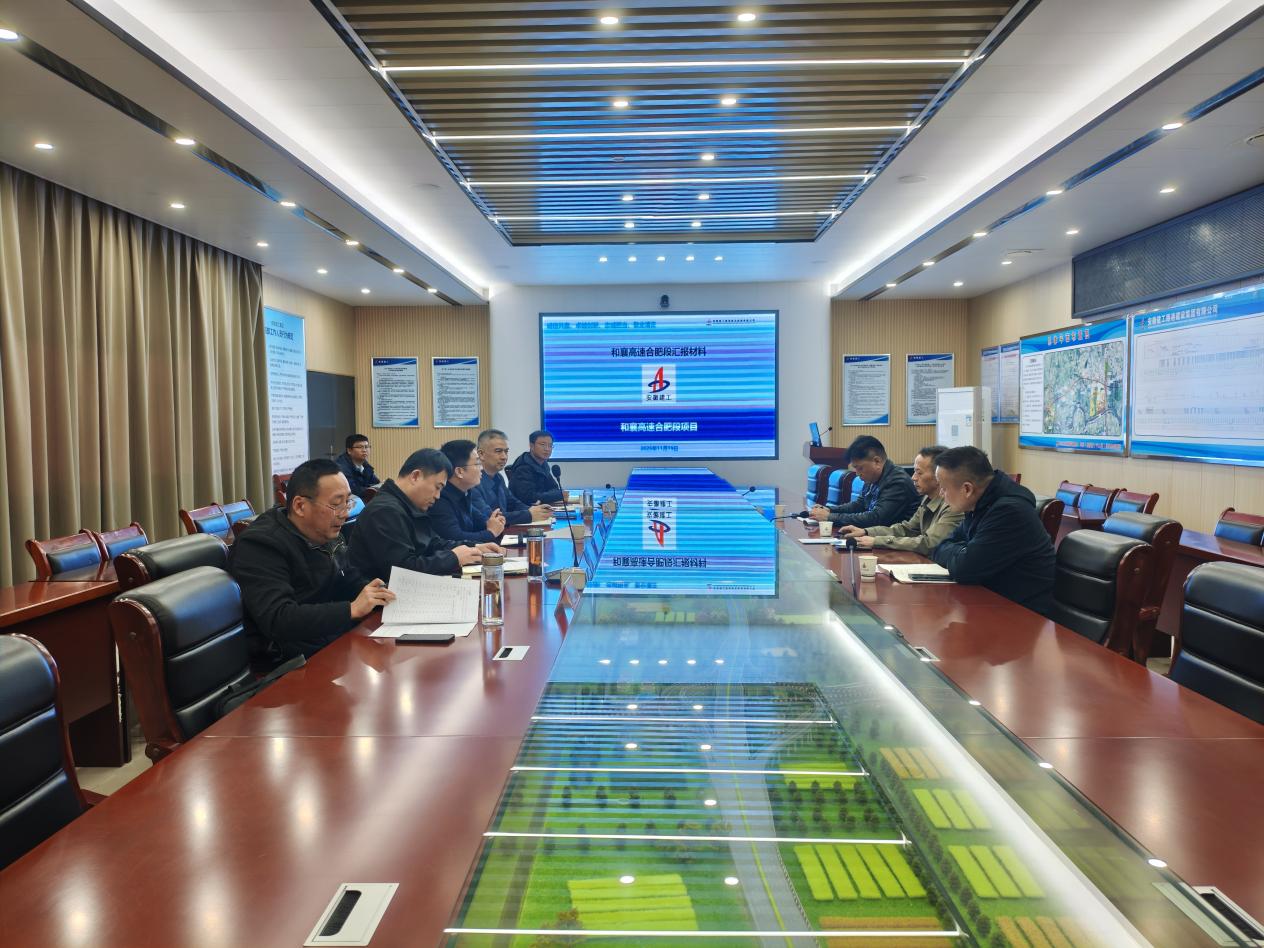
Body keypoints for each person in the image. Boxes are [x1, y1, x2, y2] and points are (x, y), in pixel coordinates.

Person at [230, 458, 395, 661]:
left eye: (347, 502)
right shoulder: (260, 545)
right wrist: (351, 609)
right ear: (300, 506)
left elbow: (346, 577)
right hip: (290, 660)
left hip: (329, 640)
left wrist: (378, 594)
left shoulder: (324, 530)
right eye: (336, 504)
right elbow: (279, 618)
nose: (345, 513)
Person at [931, 446, 1056, 616]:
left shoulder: (1009, 512)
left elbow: (965, 570)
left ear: (967, 489)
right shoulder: (980, 504)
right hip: (991, 602)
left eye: (944, 488)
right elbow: (940, 547)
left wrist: (963, 554)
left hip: (1021, 615)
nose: (940, 494)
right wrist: (964, 552)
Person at [350, 448, 499, 580]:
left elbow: (433, 543)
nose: (438, 496)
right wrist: (453, 558)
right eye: (437, 487)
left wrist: (474, 547)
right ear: (415, 476)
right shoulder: (384, 511)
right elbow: (402, 571)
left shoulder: (407, 505)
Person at [837, 444, 963, 555]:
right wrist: (866, 532)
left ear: (938, 476)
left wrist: (877, 541)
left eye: (919, 473)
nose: (913, 478)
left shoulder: (953, 507)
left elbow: (929, 543)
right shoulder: (927, 499)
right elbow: (906, 529)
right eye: (914, 472)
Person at [809, 435, 919, 529]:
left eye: (860, 468)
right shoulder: (873, 477)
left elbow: (876, 519)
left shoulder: (897, 482)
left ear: (877, 461)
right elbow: (859, 505)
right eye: (855, 468)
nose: (857, 473)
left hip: (898, 542)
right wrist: (829, 510)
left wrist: (830, 517)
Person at [431, 439, 507, 544]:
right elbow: (455, 538)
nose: (481, 468)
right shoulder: (440, 499)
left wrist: (495, 523)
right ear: (459, 472)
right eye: (477, 463)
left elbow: (482, 522)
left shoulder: (465, 492)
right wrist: (491, 533)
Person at [472, 429, 552, 526]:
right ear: (481, 454)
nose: (504, 457)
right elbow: (490, 517)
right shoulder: (472, 482)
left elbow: (513, 503)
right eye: (498, 451)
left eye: (506, 451)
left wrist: (533, 510)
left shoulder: (498, 477)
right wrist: (529, 515)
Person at [507, 429, 564, 505]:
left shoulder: (543, 464)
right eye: (543, 445)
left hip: (540, 507)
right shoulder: (523, 467)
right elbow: (529, 497)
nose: (547, 449)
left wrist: (555, 495)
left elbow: (554, 488)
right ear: (531, 446)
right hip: (524, 509)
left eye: (550, 445)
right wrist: (558, 495)